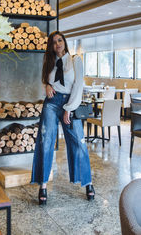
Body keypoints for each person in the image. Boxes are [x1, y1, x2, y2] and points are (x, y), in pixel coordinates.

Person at [31, 31, 95, 205]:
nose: (57, 44)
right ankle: (43, 185)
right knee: (46, 141)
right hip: (51, 103)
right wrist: (47, 86)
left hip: (70, 103)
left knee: (78, 142)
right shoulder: (50, 61)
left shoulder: (75, 61)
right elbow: (46, 78)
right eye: (53, 42)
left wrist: (69, 108)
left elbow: (78, 85)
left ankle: (88, 182)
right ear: (51, 46)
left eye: (59, 40)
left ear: (65, 42)